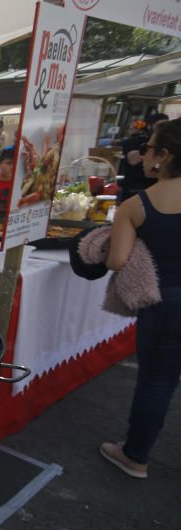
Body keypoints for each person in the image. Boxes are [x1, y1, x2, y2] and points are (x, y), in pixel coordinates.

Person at [99, 118, 181, 479]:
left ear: (163, 155)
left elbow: (116, 260)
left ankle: (135, 456)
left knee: (157, 382)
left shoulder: (137, 204)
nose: (145, 153)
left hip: (165, 303)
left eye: (150, 147)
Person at [119, 114, 169, 202]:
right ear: (150, 126)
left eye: (167, 126)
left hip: (159, 190)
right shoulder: (137, 141)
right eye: (160, 126)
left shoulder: (170, 144)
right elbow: (132, 160)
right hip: (134, 188)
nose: (163, 129)